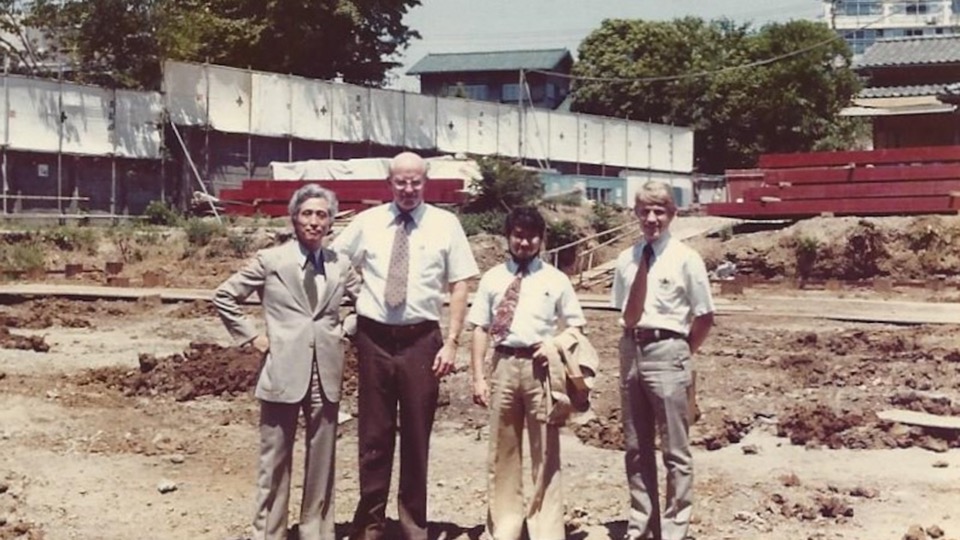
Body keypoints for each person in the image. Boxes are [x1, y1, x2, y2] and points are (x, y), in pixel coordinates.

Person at [331, 151, 479, 540]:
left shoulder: (445, 225)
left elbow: (460, 284)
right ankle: (371, 525)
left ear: (425, 182)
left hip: (421, 341)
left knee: (416, 437)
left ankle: (414, 526)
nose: (409, 189)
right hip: (374, 338)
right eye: (401, 182)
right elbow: (334, 261)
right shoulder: (369, 222)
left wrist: (451, 342)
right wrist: (350, 304)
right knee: (374, 436)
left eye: (416, 182)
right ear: (390, 182)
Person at [213, 184, 358, 540]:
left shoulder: (340, 264)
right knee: (274, 461)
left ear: (330, 222)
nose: (314, 222)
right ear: (294, 218)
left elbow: (365, 302)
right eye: (307, 214)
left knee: (322, 463)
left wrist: (345, 329)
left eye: (321, 215)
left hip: (325, 373)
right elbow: (224, 296)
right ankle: (269, 532)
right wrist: (253, 338)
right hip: (281, 371)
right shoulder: (271, 260)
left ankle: (315, 531)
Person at [467, 206, 586, 540]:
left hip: (541, 370)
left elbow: (576, 326)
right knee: (502, 450)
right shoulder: (492, 278)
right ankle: (506, 526)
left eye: (531, 235)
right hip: (503, 365)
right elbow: (479, 329)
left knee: (545, 452)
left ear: (541, 239)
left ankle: (545, 530)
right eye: (518, 234)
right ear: (508, 236)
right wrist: (478, 377)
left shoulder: (555, 279)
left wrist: (555, 345)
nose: (524, 242)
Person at [611, 181, 715, 540]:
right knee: (636, 447)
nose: (651, 218)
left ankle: (674, 530)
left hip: (668, 350)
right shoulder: (626, 259)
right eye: (644, 211)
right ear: (636, 214)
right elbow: (623, 310)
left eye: (659, 211)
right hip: (631, 349)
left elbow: (704, 317)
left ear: (672, 214)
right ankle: (641, 526)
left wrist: (682, 351)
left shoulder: (687, 259)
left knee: (675, 450)